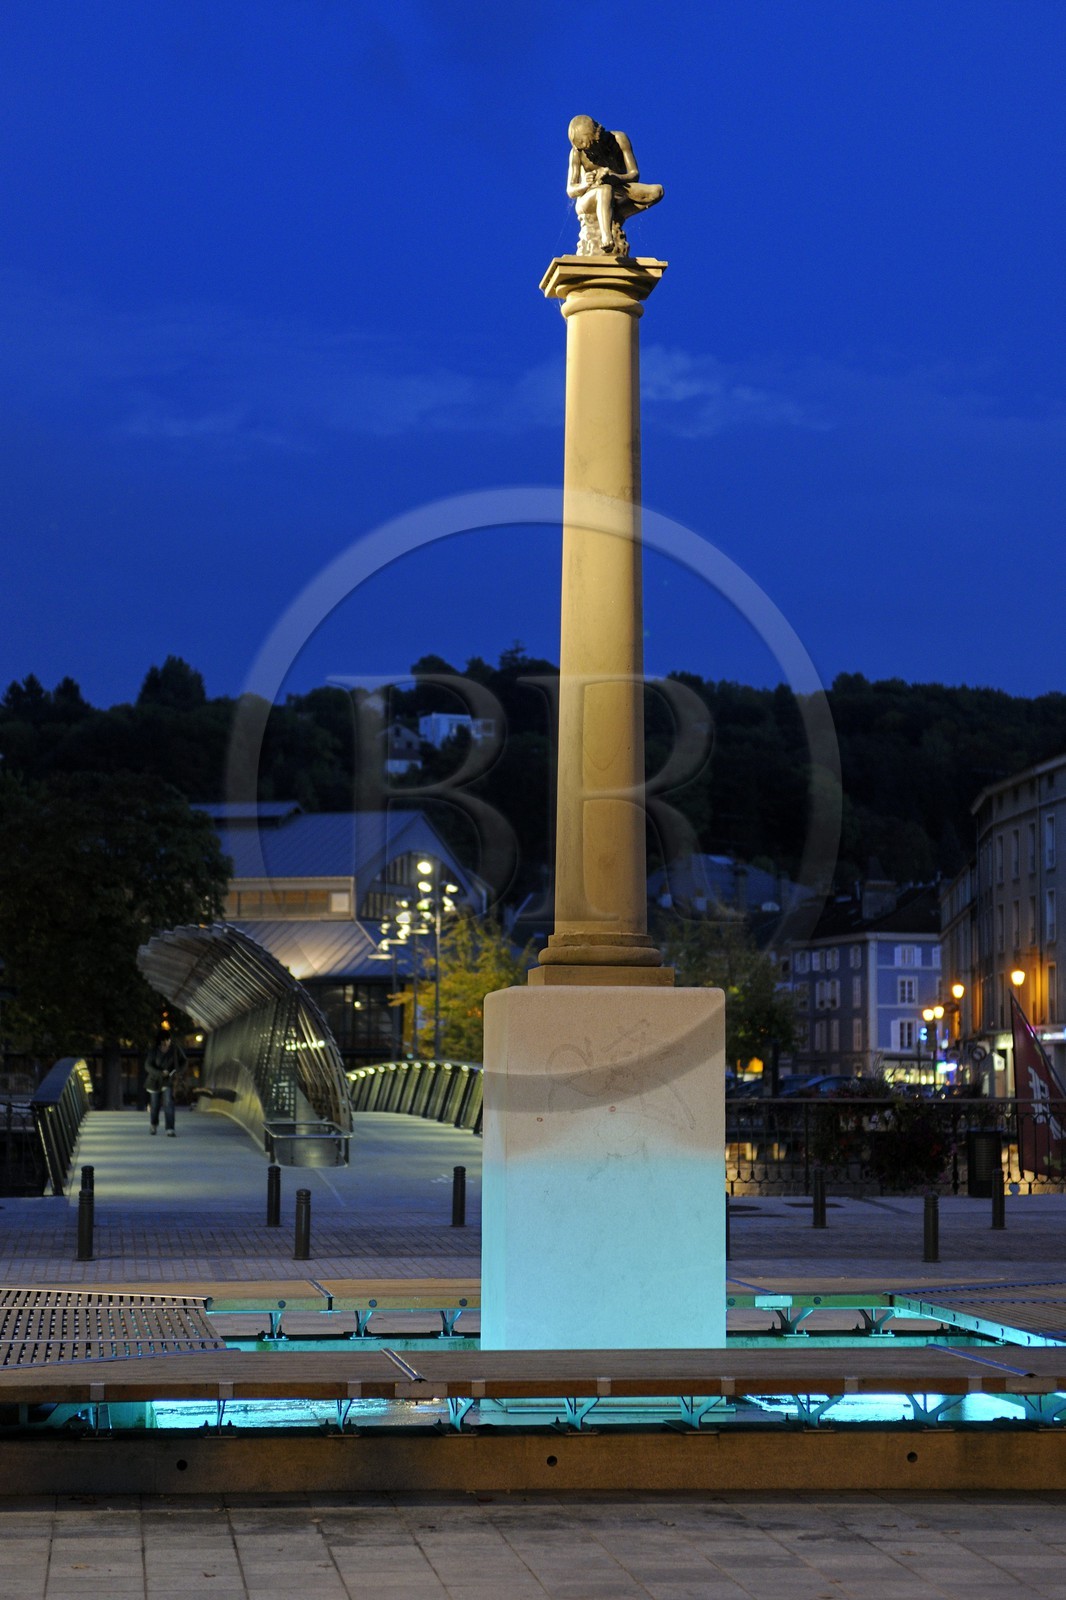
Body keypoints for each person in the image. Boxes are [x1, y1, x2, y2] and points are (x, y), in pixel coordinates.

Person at [566, 114, 663, 256]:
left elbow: (634, 174)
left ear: (598, 136)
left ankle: (616, 215)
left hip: (618, 189)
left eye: (592, 146)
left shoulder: (619, 139)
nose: (589, 152)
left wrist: (615, 177)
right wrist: (586, 184)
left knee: (657, 191)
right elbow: (570, 190)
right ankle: (607, 237)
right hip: (588, 199)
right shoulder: (576, 153)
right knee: (605, 189)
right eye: (585, 150)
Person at [144, 1029, 186, 1137]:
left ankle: (170, 1128)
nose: (166, 1043)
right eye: (164, 1041)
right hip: (155, 1081)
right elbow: (148, 1066)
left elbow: (184, 1061)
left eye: (168, 1040)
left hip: (169, 1080)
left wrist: (178, 1071)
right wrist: (160, 1073)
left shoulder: (175, 1049)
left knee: (168, 1103)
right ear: (159, 1041)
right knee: (155, 1105)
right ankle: (154, 1124)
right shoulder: (154, 1051)